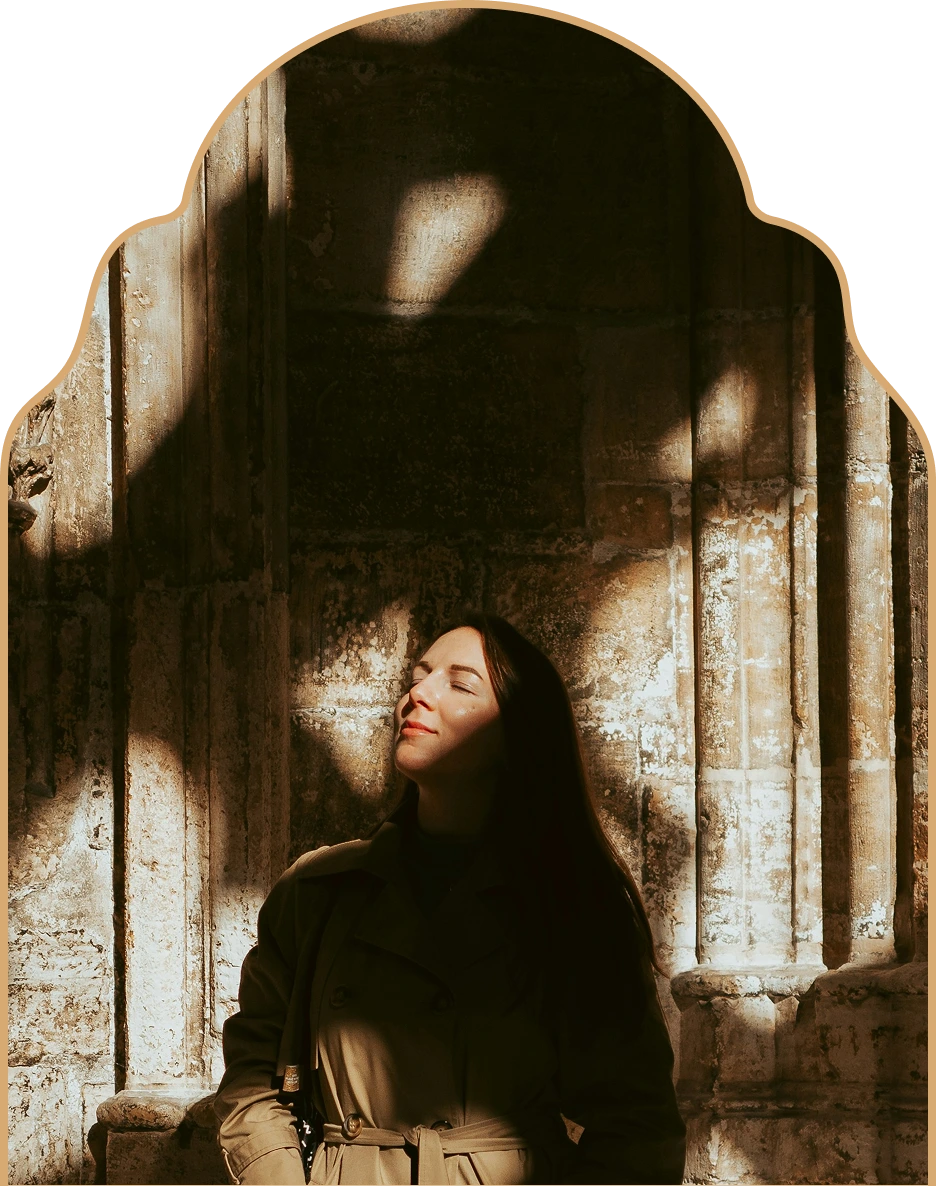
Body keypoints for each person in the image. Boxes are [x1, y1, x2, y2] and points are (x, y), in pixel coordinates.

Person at [214, 612, 686, 1185]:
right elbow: (255, 1084)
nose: (418, 693)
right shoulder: (316, 893)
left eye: (459, 684)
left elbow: (636, 1125)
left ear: (516, 736)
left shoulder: (571, 905)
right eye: (419, 674)